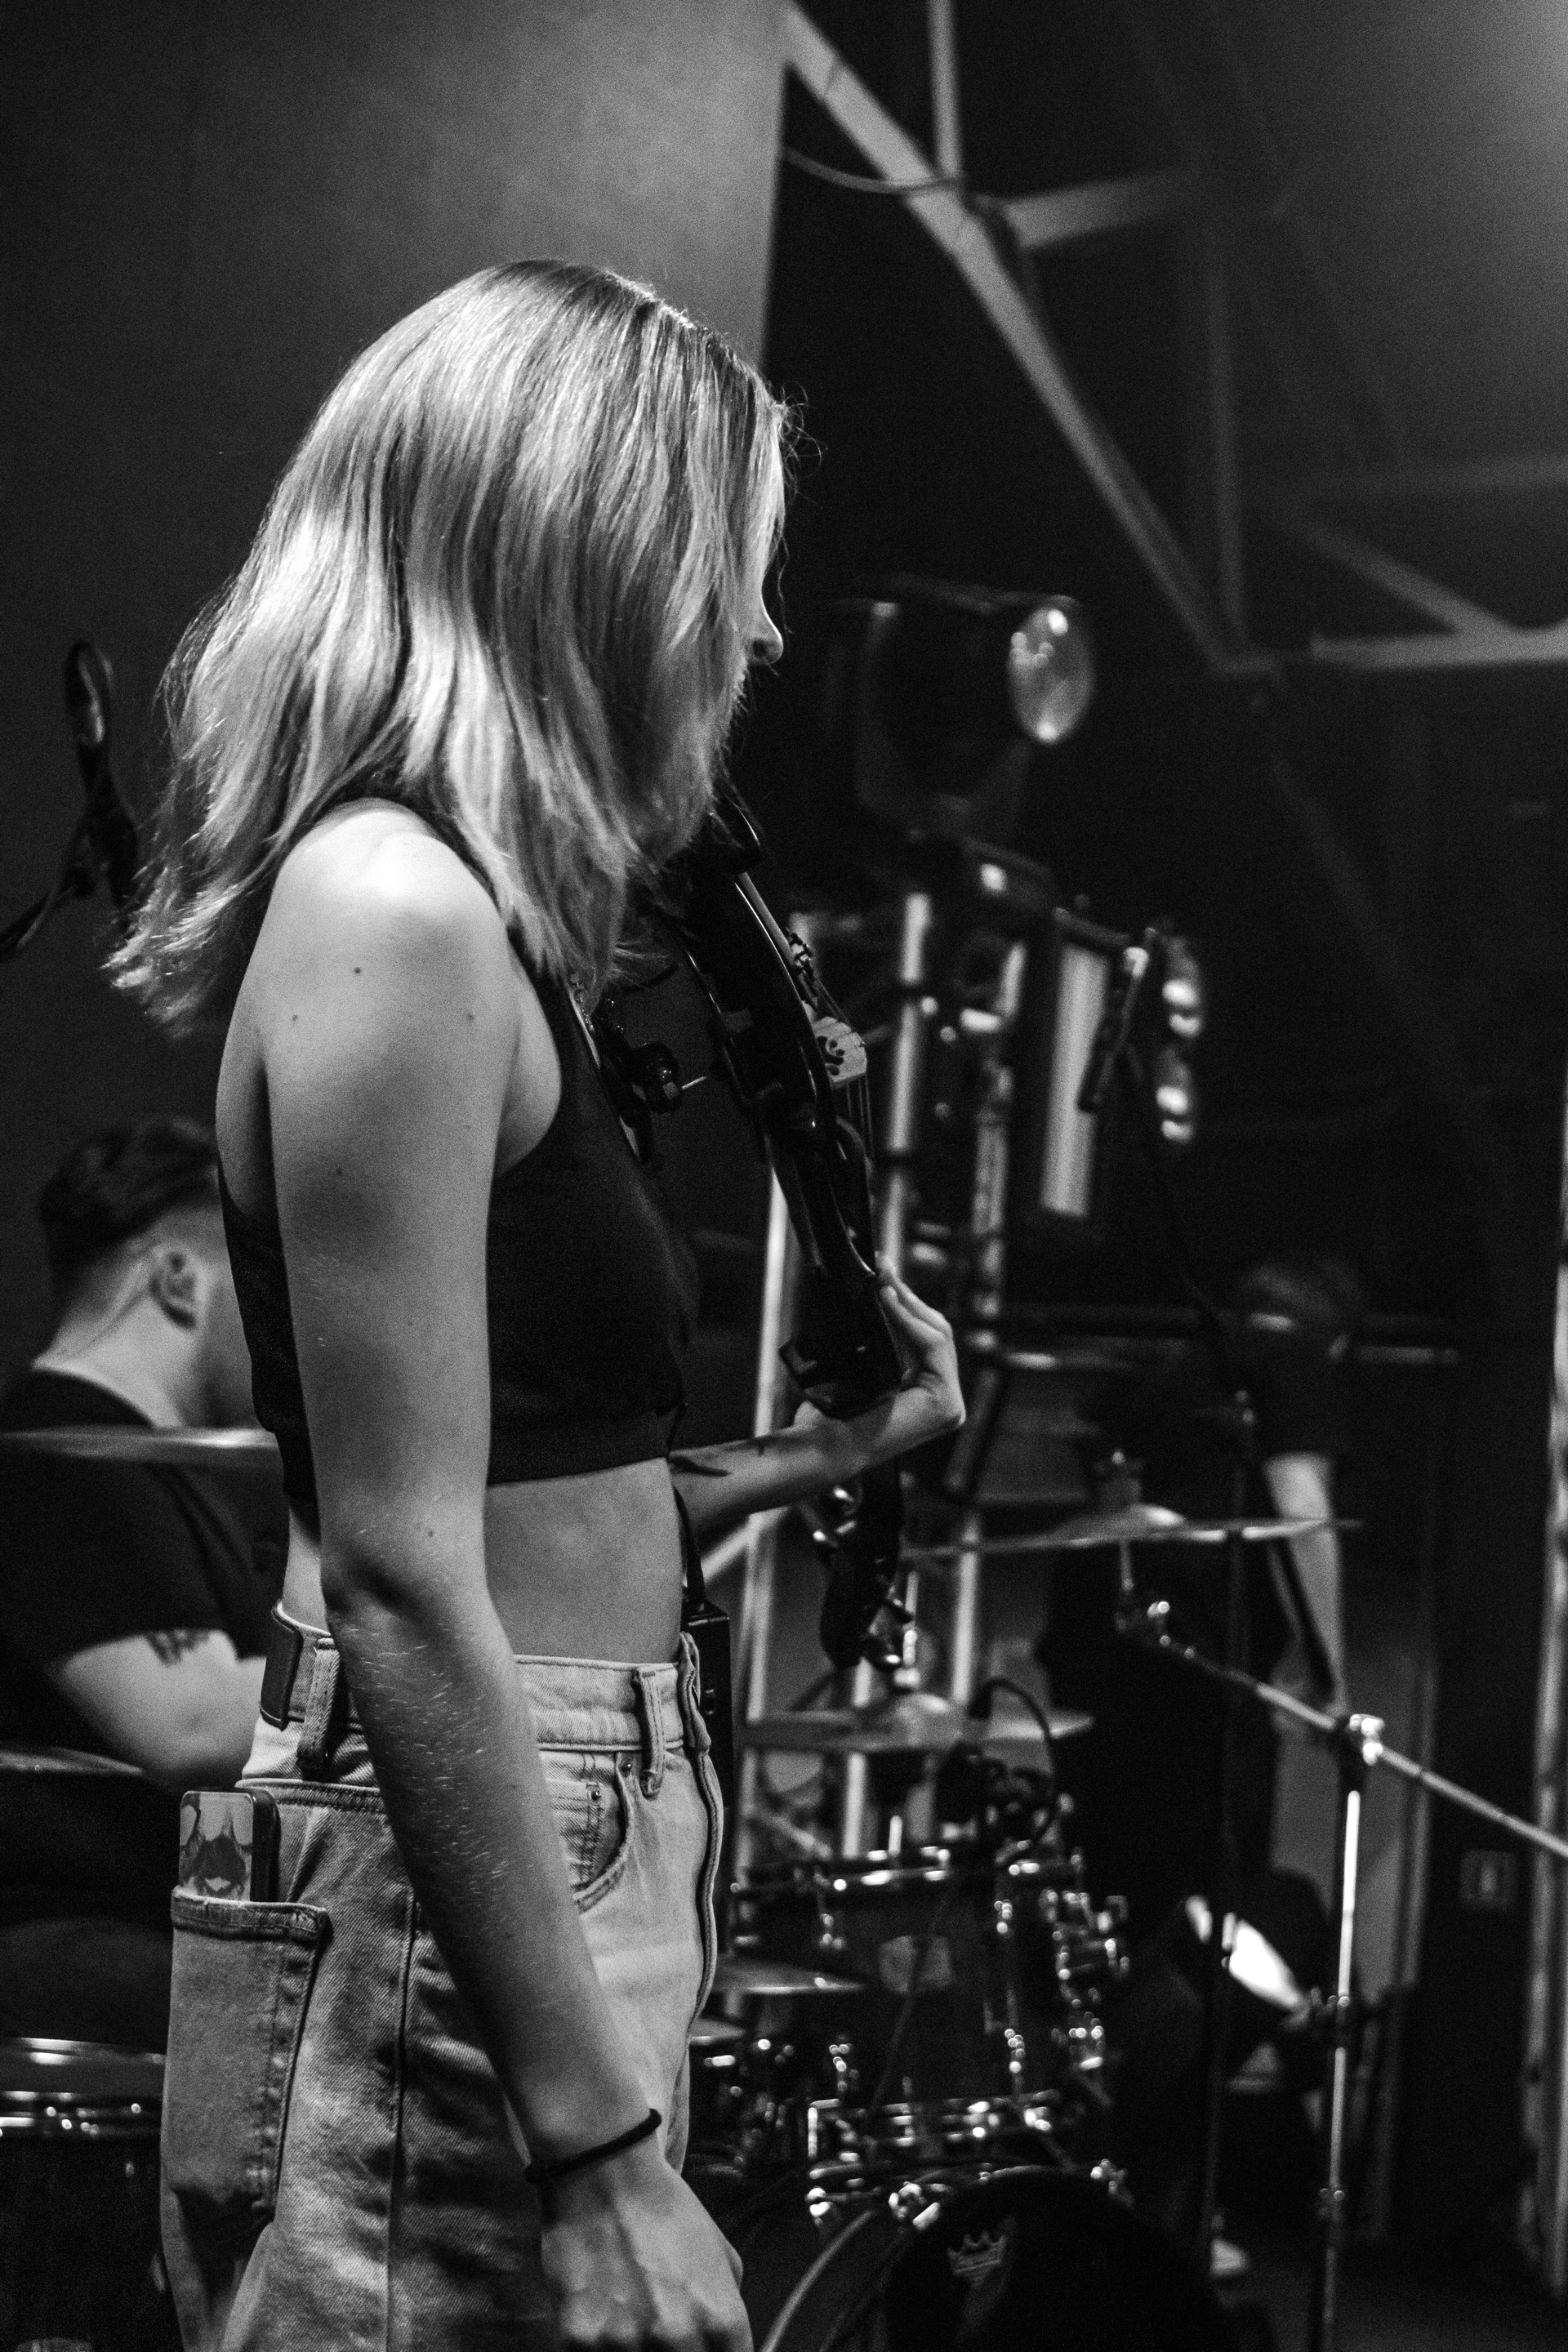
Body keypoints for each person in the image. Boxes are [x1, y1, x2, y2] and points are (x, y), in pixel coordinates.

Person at [114, 261, 964, 2350]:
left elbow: (528, 1509)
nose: (760, 632)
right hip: (474, 1846)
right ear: (589, 558)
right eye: (727, 563)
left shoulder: (471, 927)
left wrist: (827, 1453)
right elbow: (403, 1578)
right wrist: (595, 2153)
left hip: (549, 1803)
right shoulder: (394, 907)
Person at [1042, 1254, 1361, 2254]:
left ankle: (1102, 2186)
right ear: (1334, 1341)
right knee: (1217, 1935)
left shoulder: (1155, 1378)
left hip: (1096, 1684)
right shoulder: (1288, 1365)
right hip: (1202, 1685)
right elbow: (1302, 1510)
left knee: (1122, 1932)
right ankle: (1159, 2204)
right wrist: (1329, 1676)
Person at [0, 1117, 285, 2049]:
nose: (282, 1322)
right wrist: (423, 1647)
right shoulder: (61, 1460)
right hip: (65, 1939)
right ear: (176, 1277)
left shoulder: (164, 1470)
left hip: (155, 1926)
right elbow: (191, 1726)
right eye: (261, 1284)